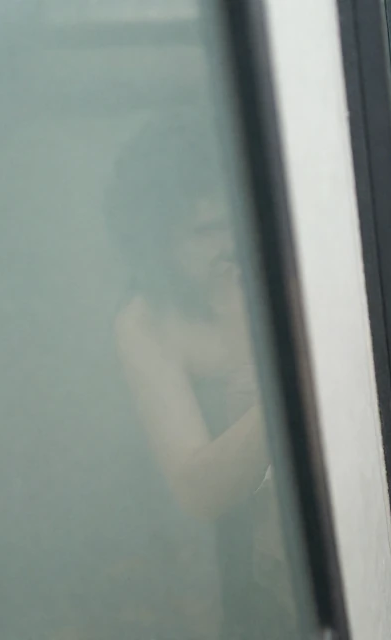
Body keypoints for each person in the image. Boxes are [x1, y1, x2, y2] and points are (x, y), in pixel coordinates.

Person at [108, 114, 297, 639]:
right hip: (220, 546)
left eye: (231, 225)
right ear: (159, 241)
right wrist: (295, 390)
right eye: (203, 233)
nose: (226, 246)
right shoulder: (148, 320)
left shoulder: (279, 273)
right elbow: (198, 492)